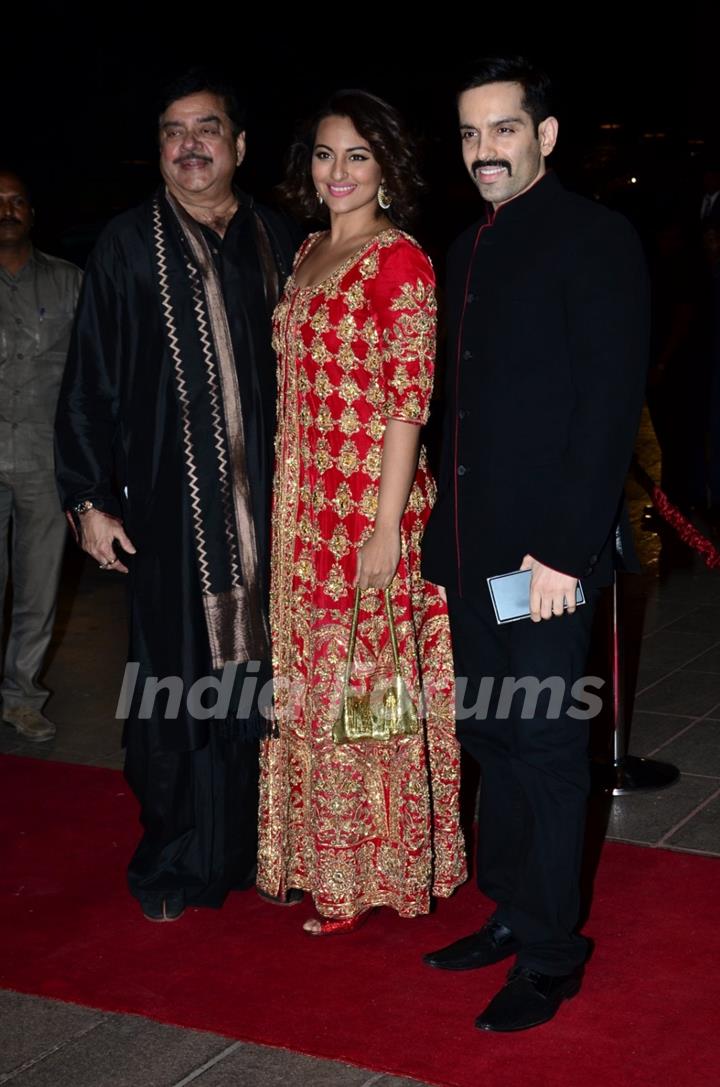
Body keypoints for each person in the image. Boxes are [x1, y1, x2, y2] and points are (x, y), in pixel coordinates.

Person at [421, 58, 649, 1031]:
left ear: (544, 136)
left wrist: (562, 553)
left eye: (503, 131)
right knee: (494, 737)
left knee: (549, 747)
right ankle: (514, 912)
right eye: (471, 135)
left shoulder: (596, 239)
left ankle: (553, 950)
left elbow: (605, 411)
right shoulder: (465, 248)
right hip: (471, 556)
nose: (485, 152)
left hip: (539, 566)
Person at [55, 71, 297, 922]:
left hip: (281, 520)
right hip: (172, 520)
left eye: (207, 128)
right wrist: (87, 497)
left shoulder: (281, 238)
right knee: (176, 692)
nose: (189, 144)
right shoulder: (126, 244)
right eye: (172, 131)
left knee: (277, 685)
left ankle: (272, 847)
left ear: (238, 145)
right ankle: (181, 859)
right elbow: (89, 379)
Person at [256, 90, 466, 934]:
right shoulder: (309, 249)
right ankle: (318, 856)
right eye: (324, 154)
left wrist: (386, 529)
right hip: (304, 509)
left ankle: (376, 867)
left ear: (387, 168)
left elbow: (407, 403)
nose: (337, 172)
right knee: (316, 684)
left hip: (368, 511)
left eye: (357, 156)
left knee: (367, 689)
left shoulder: (399, 260)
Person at [0, 170, 82, 742]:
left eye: (17, 201)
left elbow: (93, 377)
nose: (7, 209)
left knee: (36, 590)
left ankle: (21, 696)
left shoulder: (70, 282)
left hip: (42, 462)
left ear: (33, 212)